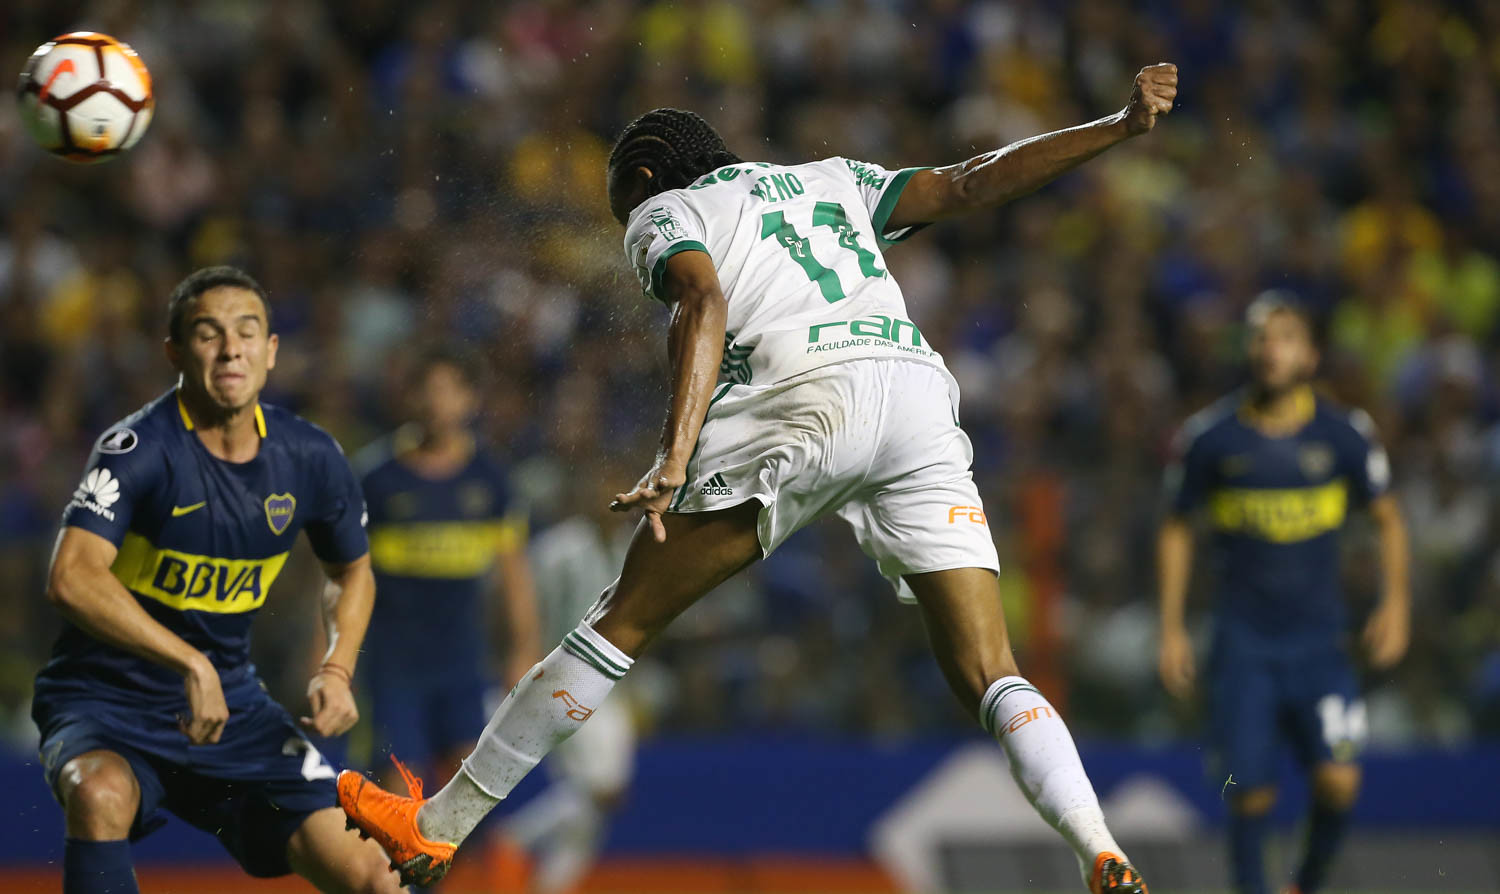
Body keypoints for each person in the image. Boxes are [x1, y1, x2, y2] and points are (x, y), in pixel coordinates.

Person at [341, 64, 1180, 893]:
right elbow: (968, 184)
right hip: (916, 391)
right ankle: (1098, 847)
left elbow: (701, 303)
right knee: (993, 669)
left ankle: (438, 828)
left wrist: (675, 455)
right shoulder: (834, 178)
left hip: (806, 393)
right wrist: (1115, 125)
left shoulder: (665, 211)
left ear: (640, 180)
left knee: (618, 621)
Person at [33, 266, 401, 893]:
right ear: (174, 351)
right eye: (208, 334)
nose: (231, 348)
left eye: (247, 332)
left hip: (234, 706)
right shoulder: (138, 448)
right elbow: (71, 577)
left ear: (271, 351)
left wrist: (337, 668)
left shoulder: (309, 456)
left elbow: (352, 569)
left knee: (376, 874)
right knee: (98, 793)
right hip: (104, 699)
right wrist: (190, 664)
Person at [1156, 293, 1411, 894]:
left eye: (1287, 337)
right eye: (1262, 337)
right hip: (1243, 645)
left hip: (1322, 642)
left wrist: (1395, 603)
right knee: (1250, 794)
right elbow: (1175, 526)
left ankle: (1306, 884)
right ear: (1248, 350)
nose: (1272, 349)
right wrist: (1170, 628)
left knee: (1340, 781)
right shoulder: (1211, 439)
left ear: (1311, 354)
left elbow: (1389, 518)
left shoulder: (1345, 435)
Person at [356, 345, 540, 793]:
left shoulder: (491, 480)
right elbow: (344, 575)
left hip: (463, 660)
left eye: (449, 390)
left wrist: (523, 652)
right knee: (399, 790)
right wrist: (330, 658)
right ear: (409, 397)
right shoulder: (376, 479)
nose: (437, 401)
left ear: (470, 400)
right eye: (427, 390)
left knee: (467, 788)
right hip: (394, 663)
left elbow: (515, 577)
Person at [497, 469, 638, 894]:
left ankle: (532, 863)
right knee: (604, 792)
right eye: (601, 490)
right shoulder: (557, 549)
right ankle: (515, 838)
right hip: (565, 678)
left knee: (596, 806)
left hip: (614, 685)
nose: (611, 499)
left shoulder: (634, 546)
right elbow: (523, 610)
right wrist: (524, 665)